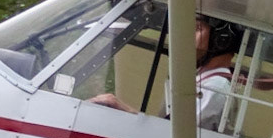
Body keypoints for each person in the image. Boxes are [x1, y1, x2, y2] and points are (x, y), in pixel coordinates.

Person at [89, 15, 241, 125]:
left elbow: (174, 132)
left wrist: (121, 107)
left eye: (196, 29)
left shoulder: (216, 86)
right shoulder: (206, 82)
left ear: (222, 39)